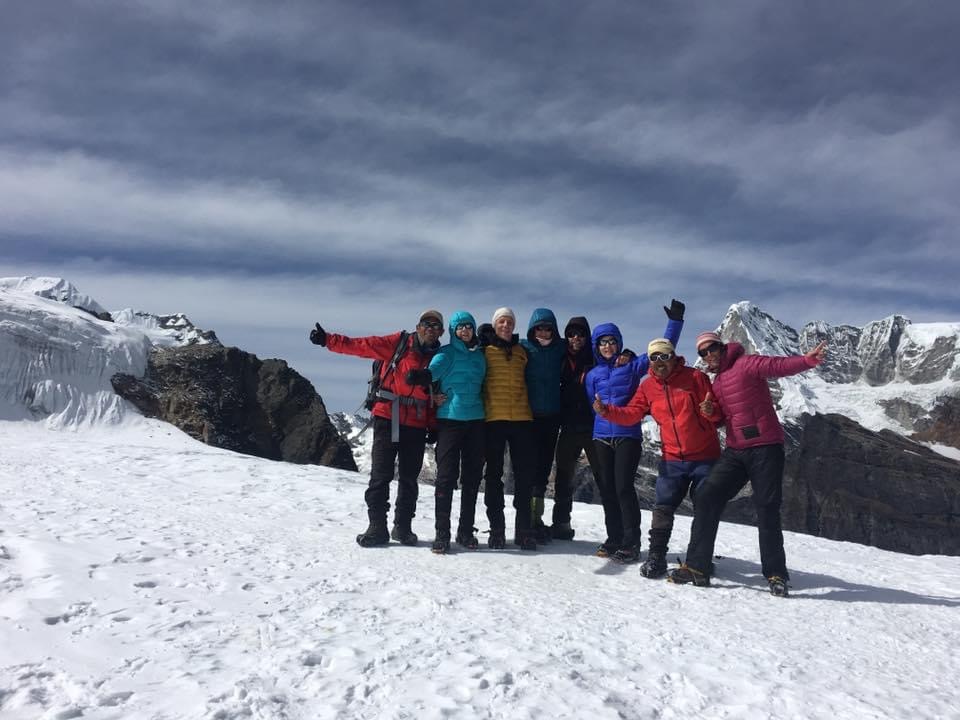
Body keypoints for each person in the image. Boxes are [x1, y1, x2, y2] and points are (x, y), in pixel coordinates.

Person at [668, 331, 827, 596]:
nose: (708, 355)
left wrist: (807, 361)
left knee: (766, 507)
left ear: (722, 347)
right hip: (736, 450)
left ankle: (775, 573)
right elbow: (721, 419)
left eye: (712, 349)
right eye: (703, 353)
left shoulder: (747, 363)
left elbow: (778, 366)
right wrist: (710, 413)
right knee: (707, 495)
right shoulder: (716, 383)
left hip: (766, 447)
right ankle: (697, 566)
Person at [309, 311, 442, 547]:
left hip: (417, 423)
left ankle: (403, 527)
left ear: (441, 332)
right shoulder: (398, 343)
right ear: (418, 327)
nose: (430, 328)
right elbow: (362, 345)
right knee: (381, 475)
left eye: (436, 326)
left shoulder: (440, 359)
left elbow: (435, 394)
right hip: (387, 417)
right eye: (426, 324)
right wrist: (328, 340)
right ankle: (377, 527)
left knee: (409, 479)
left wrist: (433, 425)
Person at [593, 337, 721, 578]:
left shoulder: (695, 378)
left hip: (705, 456)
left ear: (673, 356)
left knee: (706, 508)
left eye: (664, 355)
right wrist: (607, 411)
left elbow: (716, 413)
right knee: (662, 508)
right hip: (672, 457)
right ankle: (656, 557)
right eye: (654, 357)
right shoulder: (647, 387)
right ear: (649, 361)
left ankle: (699, 562)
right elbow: (632, 414)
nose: (660, 361)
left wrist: (711, 412)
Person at [585, 300, 685, 563]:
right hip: (601, 437)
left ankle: (631, 541)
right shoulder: (593, 374)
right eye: (602, 342)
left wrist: (674, 322)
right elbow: (592, 404)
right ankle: (613, 538)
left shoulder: (631, 367)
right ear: (597, 346)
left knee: (623, 488)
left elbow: (661, 351)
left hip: (627, 435)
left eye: (612, 341)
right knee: (607, 489)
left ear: (618, 343)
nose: (608, 346)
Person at [407, 311, 487, 554]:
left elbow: (486, 383)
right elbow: (433, 373)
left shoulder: (480, 357)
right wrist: (421, 378)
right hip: (450, 421)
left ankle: (465, 531)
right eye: (460, 327)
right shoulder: (446, 354)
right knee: (446, 477)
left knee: (472, 477)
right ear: (453, 331)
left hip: (476, 420)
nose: (465, 331)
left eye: (469, 327)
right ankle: (442, 534)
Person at [478, 307, 537, 551]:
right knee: (494, 476)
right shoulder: (484, 351)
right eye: (501, 321)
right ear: (494, 325)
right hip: (493, 419)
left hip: (522, 419)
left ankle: (523, 531)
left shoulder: (523, 351)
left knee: (525, 477)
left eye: (510, 322)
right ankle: (497, 530)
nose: (506, 325)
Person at [551, 316, 601, 540]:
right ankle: (561, 524)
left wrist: (626, 354)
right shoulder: (560, 356)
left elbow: (618, 362)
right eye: (571, 334)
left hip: (593, 426)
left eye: (580, 334)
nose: (575, 338)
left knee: (604, 477)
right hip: (568, 425)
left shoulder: (597, 356)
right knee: (563, 476)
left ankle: (617, 531)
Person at [520, 308, 566, 543]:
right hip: (529, 417)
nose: (544, 332)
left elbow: (586, 349)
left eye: (548, 328)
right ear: (532, 329)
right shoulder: (523, 347)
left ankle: (536, 519)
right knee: (528, 468)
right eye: (540, 327)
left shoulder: (561, 348)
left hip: (552, 417)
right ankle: (525, 520)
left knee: (544, 470)